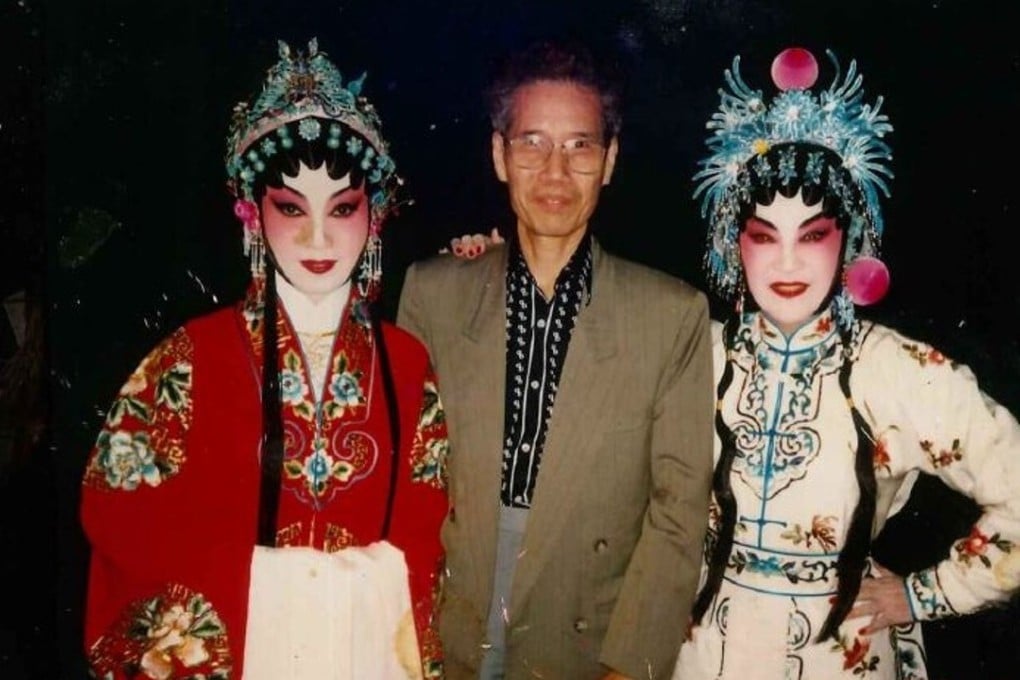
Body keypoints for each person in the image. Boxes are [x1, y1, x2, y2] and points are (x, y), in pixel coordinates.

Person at [80, 38, 449, 679]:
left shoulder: (408, 364)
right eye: (289, 208)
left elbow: (431, 526)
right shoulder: (187, 358)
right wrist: (276, 583)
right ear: (250, 217)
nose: (316, 238)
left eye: (342, 208)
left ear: (376, 217)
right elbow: (116, 509)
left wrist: (361, 590)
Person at [671, 47, 1020, 679]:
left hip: (836, 654)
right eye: (762, 235)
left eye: (811, 235)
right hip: (700, 651)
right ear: (731, 242)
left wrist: (924, 594)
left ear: (849, 239)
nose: (786, 264)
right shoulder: (693, 349)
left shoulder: (896, 371)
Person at [398, 39, 714, 679]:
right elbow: (408, 482)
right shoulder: (432, 292)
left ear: (610, 161)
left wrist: (628, 667)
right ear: (499, 155)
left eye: (580, 147)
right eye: (532, 143)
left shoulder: (671, 314)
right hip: (447, 618)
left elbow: (678, 515)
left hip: (585, 634)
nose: (554, 172)